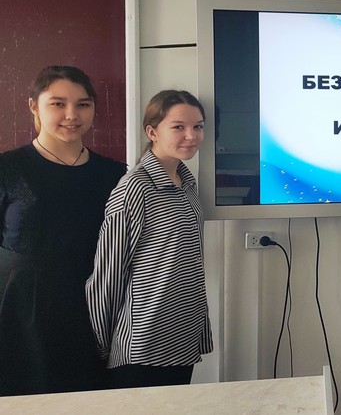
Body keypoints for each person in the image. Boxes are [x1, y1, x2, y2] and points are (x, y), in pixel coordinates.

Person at [0, 65, 127, 396]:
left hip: (95, 312)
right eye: (58, 103)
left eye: (83, 104)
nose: (72, 115)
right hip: (22, 315)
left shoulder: (115, 175)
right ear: (34, 106)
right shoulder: (8, 169)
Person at [85, 90, 212, 389]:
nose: (191, 136)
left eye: (198, 126)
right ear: (152, 132)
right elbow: (108, 272)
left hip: (182, 334)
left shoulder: (187, 183)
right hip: (143, 342)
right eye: (178, 127)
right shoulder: (134, 188)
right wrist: (100, 347)